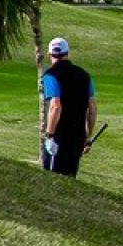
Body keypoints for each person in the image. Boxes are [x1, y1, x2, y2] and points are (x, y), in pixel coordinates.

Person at [40, 37, 97, 178]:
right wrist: (87, 137)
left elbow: (55, 106)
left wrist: (50, 136)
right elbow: (92, 108)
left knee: (51, 181)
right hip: (77, 137)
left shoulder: (50, 75)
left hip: (58, 138)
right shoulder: (84, 76)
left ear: (49, 54)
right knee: (69, 181)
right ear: (67, 53)